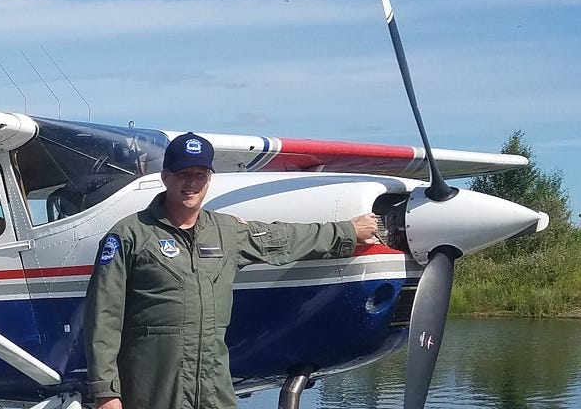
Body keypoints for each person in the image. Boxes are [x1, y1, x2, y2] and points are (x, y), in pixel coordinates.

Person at [84, 132, 379, 409]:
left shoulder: (226, 231)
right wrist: (105, 391)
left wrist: (347, 231)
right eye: (182, 174)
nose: (191, 183)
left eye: (199, 175)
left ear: (209, 180)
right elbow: (103, 316)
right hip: (154, 389)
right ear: (165, 177)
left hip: (213, 388)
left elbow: (284, 239)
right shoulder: (129, 235)